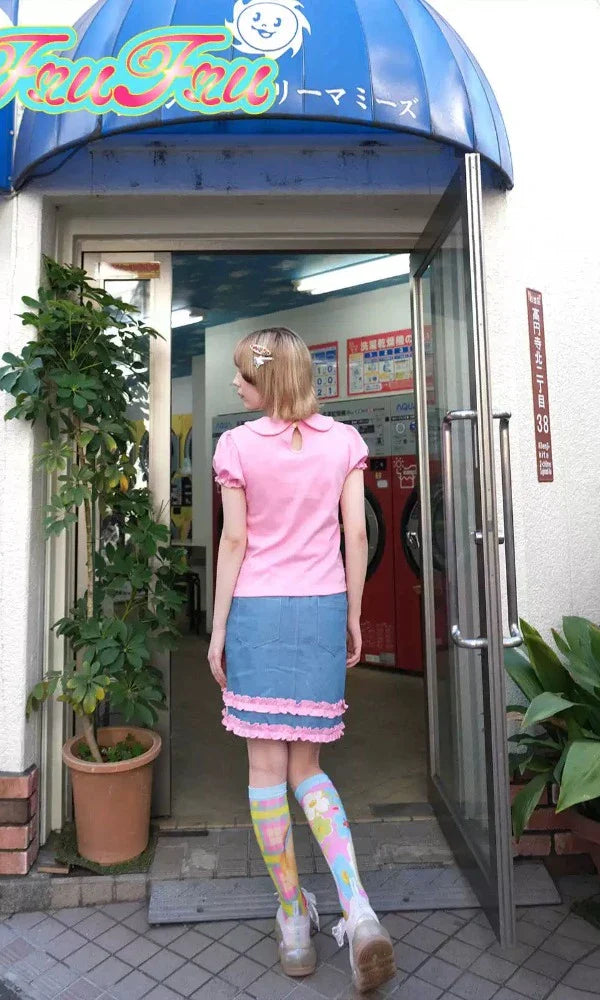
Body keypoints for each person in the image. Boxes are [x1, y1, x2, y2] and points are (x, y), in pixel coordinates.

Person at [207, 327, 395, 994]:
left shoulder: (234, 447)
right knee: (308, 770)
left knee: (265, 769)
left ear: (271, 382)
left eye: (244, 377)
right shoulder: (344, 443)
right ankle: (360, 911)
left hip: (257, 611)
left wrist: (219, 626)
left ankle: (292, 920)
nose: (235, 386)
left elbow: (234, 538)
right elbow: (356, 531)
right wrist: (352, 609)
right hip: (319, 609)